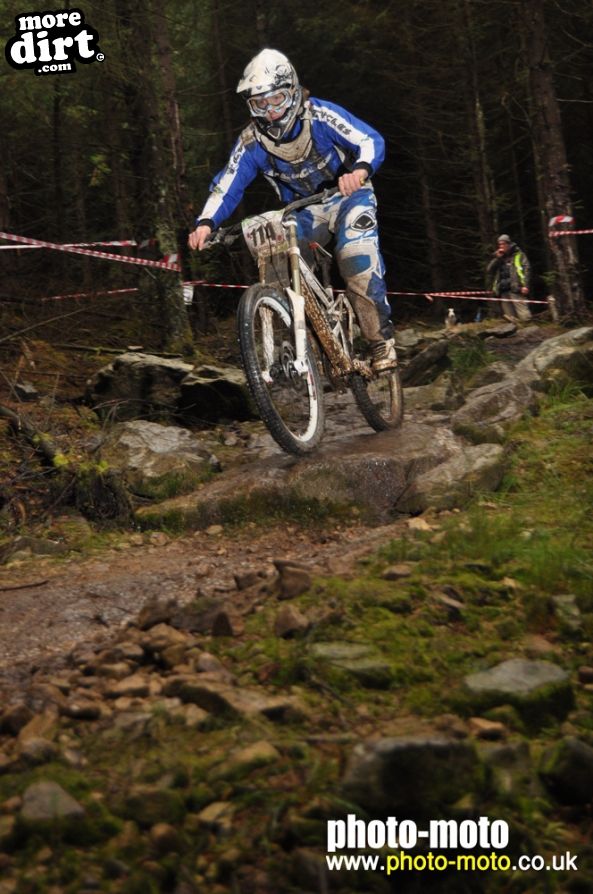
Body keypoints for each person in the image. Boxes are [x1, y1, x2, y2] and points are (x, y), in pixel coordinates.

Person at [188, 49, 396, 371]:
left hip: (349, 197)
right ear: (251, 106)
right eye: (260, 104)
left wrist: (361, 170)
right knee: (275, 259)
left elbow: (369, 139)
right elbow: (227, 184)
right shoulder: (251, 142)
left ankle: (380, 343)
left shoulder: (321, 116)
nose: (270, 111)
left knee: (355, 257)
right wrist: (205, 222)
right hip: (305, 210)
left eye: (277, 100)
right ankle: (302, 339)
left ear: (294, 93)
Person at [487, 234, 532, 321]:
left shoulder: (519, 255)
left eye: (503, 244)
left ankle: (530, 332)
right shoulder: (499, 257)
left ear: (508, 244)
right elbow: (489, 270)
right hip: (504, 289)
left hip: (516, 288)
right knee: (510, 318)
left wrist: (526, 285)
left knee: (525, 317)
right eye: (499, 244)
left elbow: (527, 270)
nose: (501, 246)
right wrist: (497, 258)